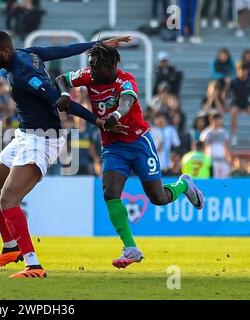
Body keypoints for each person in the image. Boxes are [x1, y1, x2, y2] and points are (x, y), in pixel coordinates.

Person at [0, 30, 130, 278]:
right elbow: (60, 51)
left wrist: (98, 121)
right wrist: (97, 43)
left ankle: (33, 265)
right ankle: (10, 246)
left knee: (8, 198)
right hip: (25, 135)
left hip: (43, 140)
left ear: (5, 53)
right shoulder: (26, 54)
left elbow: (62, 103)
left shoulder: (23, 75)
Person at [55, 42, 205, 269]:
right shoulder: (89, 75)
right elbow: (62, 79)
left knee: (158, 198)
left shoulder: (125, 80)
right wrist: (65, 93)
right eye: (91, 66)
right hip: (113, 147)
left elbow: (128, 100)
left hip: (138, 143)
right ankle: (131, 248)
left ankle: (183, 185)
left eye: (96, 67)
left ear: (111, 65)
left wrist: (115, 115)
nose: (92, 71)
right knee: (109, 192)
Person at [200, 113, 231, 178]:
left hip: (223, 160)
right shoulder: (206, 133)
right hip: (212, 161)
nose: (221, 122)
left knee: (225, 181)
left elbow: (226, 147)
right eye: (219, 120)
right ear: (213, 120)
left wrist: (228, 160)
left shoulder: (224, 133)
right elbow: (204, 148)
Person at [229, 64, 250, 145]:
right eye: (241, 70)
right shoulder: (233, 81)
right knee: (233, 112)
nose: (243, 72)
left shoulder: (249, 81)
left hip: (246, 102)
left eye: (245, 70)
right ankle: (234, 135)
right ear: (237, 71)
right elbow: (227, 94)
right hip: (236, 103)